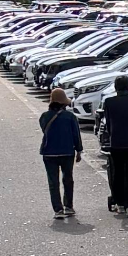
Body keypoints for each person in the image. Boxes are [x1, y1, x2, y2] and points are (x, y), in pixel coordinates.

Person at [101, 76, 128, 216]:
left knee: (118, 172)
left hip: (117, 142)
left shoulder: (109, 102)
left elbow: (108, 122)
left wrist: (112, 134)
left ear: (115, 87)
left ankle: (119, 203)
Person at [38, 88, 82, 219]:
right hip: (67, 152)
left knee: (53, 182)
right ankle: (68, 206)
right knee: (68, 179)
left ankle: (58, 209)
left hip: (49, 152)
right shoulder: (70, 117)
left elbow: (44, 130)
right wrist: (79, 150)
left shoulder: (44, 116)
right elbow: (76, 135)